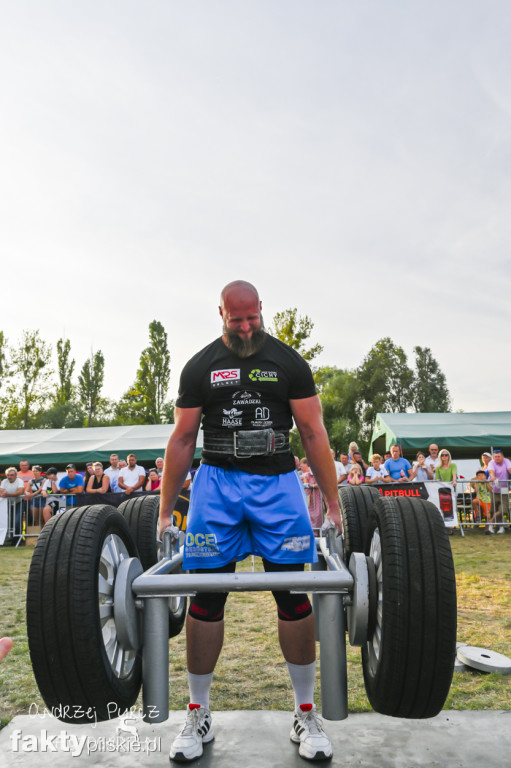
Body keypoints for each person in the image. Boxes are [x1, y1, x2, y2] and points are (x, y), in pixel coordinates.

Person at [158, 280, 341, 763]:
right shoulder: (201, 366)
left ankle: (305, 711)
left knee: (292, 593)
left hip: (278, 486)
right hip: (216, 486)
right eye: (235, 319)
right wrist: (163, 509)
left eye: (251, 317)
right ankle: (197, 712)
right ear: (220, 312)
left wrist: (334, 502)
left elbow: (312, 431)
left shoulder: (288, 362)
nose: (244, 327)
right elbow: (181, 440)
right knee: (207, 597)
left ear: (262, 309)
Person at [487, 449, 510, 535]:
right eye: (495, 456)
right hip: (494, 489)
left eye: (498, 456)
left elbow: (510, 469)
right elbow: (491, 472)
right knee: (494, 509)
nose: (497, 458)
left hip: (504, 489)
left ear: (502, 457)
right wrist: (493, 477)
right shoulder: (491, 463)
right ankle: (500, 527)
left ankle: (490, 523)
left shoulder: (506, 461)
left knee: (503, 509)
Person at [0, 468, 25, 544]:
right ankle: (11, 538)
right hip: (8, 504)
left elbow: (20, 491)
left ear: (16, 475)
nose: (9, 477)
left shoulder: (19, 481)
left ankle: (17, 539)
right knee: (9, 521)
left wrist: (7, 494)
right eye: (8, 475)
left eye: (11, 475)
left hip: (19, 503)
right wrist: (3, 493)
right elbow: (1, 491)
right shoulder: (4, 481)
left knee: (17, 521)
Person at [300, 458, 324, 529]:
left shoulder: (318, 472)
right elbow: (306, 484)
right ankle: (311, 530)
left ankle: (319, 530)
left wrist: (312, 485)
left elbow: (318, 483)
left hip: (317, 496)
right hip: (309, 496)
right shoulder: (306, 475)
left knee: (318, 513)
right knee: (309, 513)